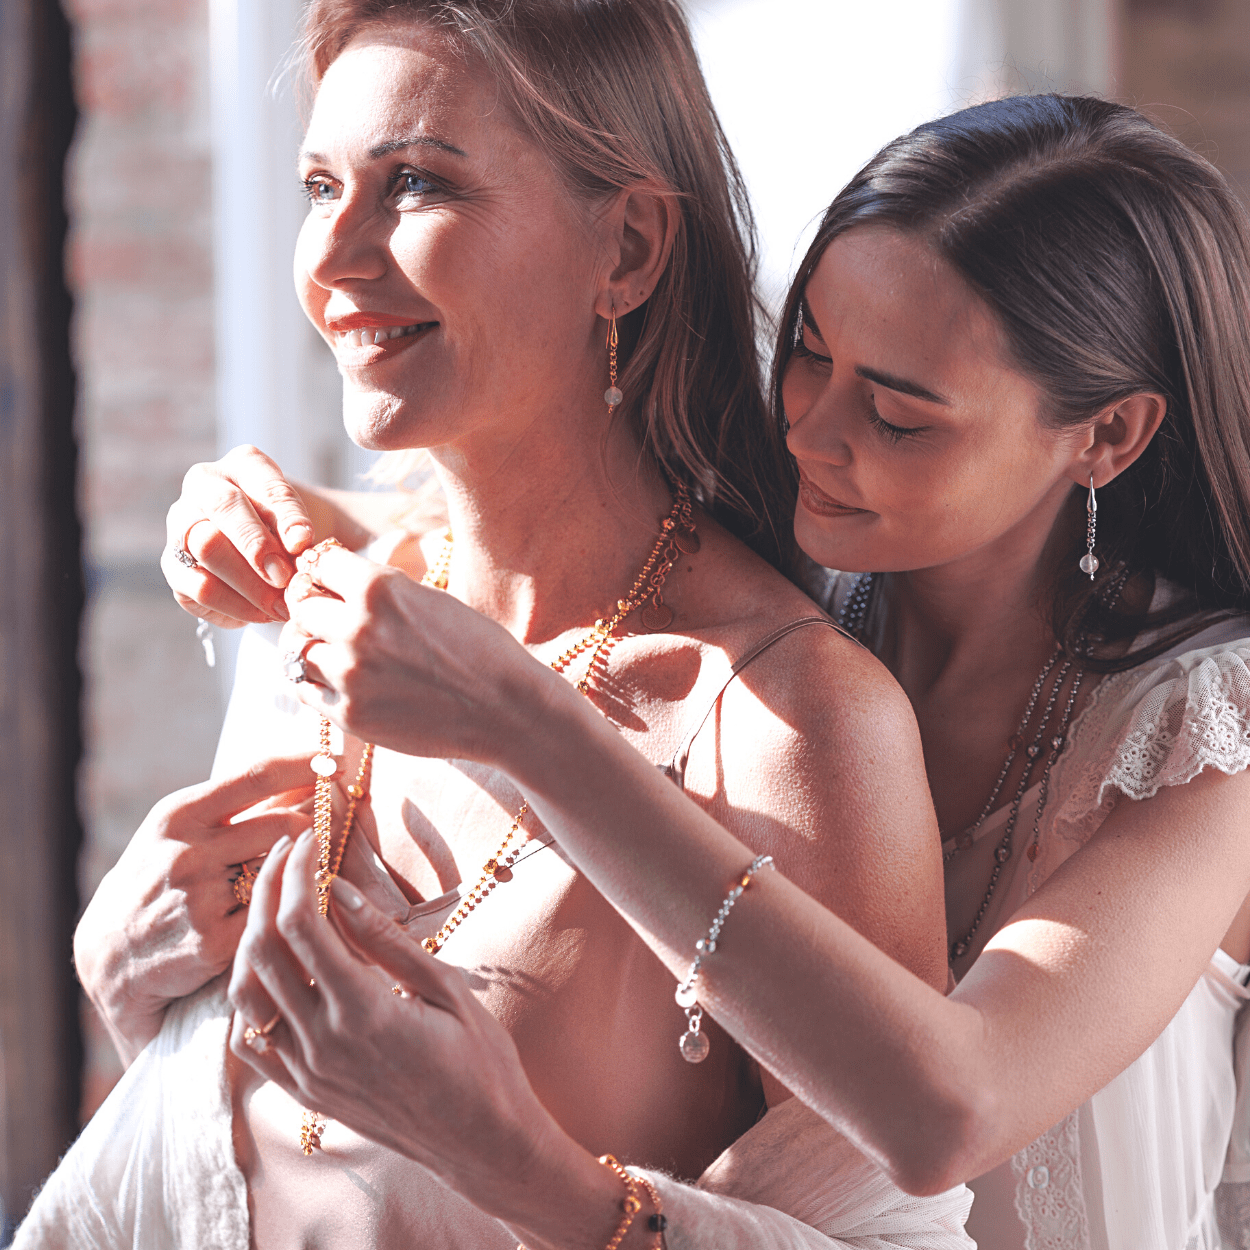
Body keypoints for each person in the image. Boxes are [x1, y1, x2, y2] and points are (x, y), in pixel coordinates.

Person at [134, 95, 1250, 1249]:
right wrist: (253, 506)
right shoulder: (796, 583)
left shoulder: (1206, 742)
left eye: (899, 414)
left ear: (1107, 435)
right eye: (810, 350)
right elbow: (485, 534)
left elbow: (939, 1115)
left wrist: (534, 727)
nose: (813, 429)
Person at [25, 2, 977, 1248]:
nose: (333, 259)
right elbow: (239, 1152)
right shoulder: (333, 619)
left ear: (626, 248)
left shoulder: (787, 722)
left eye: (413, 184)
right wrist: (127, 976)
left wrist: (512, 1157)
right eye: (321, 186)